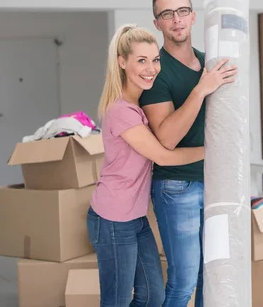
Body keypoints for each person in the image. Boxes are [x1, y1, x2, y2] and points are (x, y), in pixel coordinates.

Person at [87, 24, 206, 307]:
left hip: (135, 218)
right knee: (116, 301)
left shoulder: (137, 106)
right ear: (122, 62)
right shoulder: (121, 112)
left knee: (153, 295)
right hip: (113, 219)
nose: (151, 68)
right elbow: (163, 156)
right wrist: (213, 149)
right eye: (142, 60)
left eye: (155, 60)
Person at [139, 0, 237, 307]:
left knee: (206, 277)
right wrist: (200, 90)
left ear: (194, 16)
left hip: (213, 183)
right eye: (167, 14)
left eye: (182, 11)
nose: (176, 20)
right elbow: (166, 137)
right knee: (183, 282)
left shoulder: (208, 62)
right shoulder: (156, 72)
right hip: (176, 185)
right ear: (157, 23)